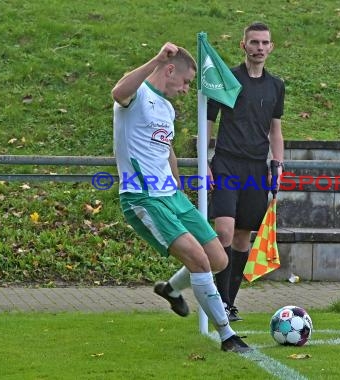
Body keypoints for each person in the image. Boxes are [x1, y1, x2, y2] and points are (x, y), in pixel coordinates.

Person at [112, 42, 251, 353]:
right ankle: (228, 337)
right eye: (187, 82)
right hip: (144, 197)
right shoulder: (137, 96)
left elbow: (166, 149)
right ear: (170, 70)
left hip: (171, 196)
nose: (188, 90)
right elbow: (118, 92)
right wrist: (157, 59)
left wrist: (177, 184)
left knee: (219, 258)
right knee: (199, 262)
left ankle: (171, 290)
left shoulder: (167, 108)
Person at [207, 22, 285, 322]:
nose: (259, 48)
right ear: (243, 46)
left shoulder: (276, 86)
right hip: (226, 163)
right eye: (254, 42)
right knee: (223, 231)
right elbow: (208, 123)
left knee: (242, 237)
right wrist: (206, 163)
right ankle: (219, 301)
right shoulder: (227, 80)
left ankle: (228, 303)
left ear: (271, 47)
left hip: (256, 168)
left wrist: (276, 163)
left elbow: (275, 131)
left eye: (265, 43)